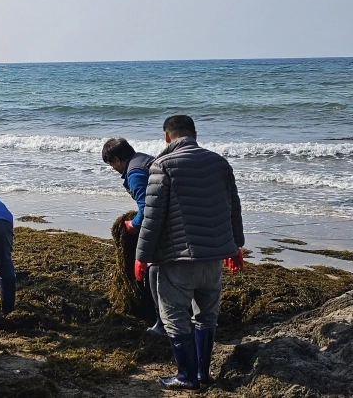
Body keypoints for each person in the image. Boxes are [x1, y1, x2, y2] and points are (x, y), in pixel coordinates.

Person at [135, 115, 245, 391]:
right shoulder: (220, 163)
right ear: (195, 134)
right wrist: (236, 247)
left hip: (177, 259)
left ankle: (186, 376)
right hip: (213, 257)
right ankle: (203, 374)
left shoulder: (163, 165)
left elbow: (152, 217)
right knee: (206, 316)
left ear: (167, 136)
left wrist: (141, 255)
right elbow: (233, 207)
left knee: (174, 318)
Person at [101, 138, 162, 334]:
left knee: (155, 272)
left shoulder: (134, 172)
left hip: (163, 225)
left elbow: (147, 208)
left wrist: (133, 225)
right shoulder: (146, 160)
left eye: (111, 163)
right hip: (177, 219)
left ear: (117, 159)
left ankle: (161, 322)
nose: (112, 168)